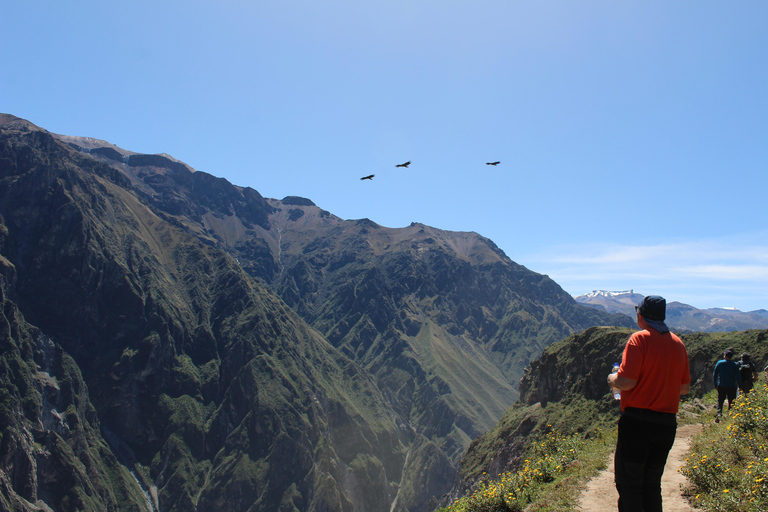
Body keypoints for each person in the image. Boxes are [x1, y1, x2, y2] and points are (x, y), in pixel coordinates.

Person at [607, 295, 690, 512]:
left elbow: (626, 382)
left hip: (637, 424)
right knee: (652, 485)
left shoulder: (639, 339)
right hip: (666, 426)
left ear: (641, 315)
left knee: (630, 485)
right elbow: (684, 388)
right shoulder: (678, 344)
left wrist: (611, 379)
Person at [713, 348, 741, 422]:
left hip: (721, 385)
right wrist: (740, 386)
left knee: (720, 400)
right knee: (731, 401)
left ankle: (719, 413)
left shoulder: (719, 363)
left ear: (725, 355)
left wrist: (715, 384)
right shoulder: (734, 365)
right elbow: (738, 376)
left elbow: (715, 374)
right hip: (732, 385)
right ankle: (730, 415)